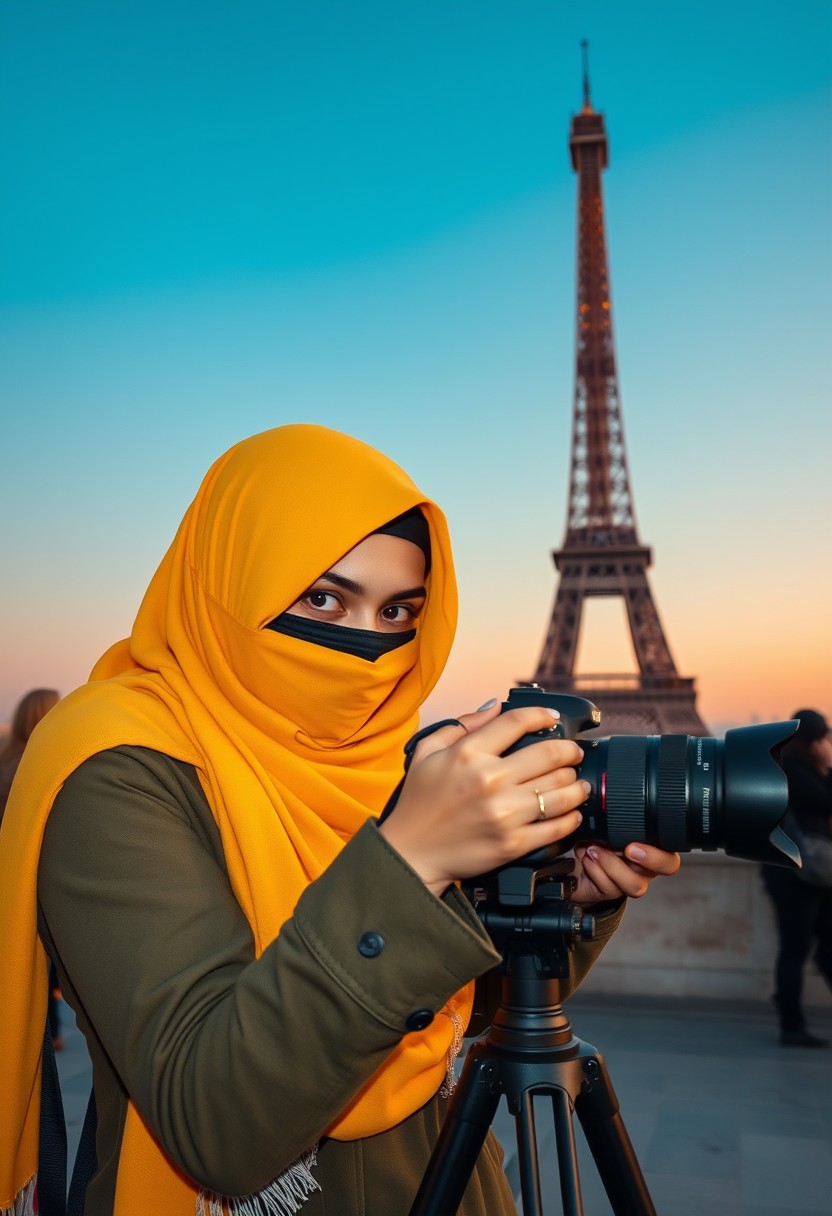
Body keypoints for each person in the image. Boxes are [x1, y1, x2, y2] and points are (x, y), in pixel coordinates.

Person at [0, 424, 681, 1216]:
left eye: (399, 612)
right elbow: (213, 1125)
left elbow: (449, 1008)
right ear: (228, 576)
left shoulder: (386, 755)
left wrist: (578, 901)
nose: (365, 646)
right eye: (323, 597)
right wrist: (410, 862)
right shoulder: (116, 768)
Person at [761, 708, 832, 1047]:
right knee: (796, 947)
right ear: (811, 741)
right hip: (796, 875)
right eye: (823, 738)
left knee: (812, 945)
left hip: (803, 872)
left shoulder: (786, 768)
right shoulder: (795, 772)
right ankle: (791, 1022)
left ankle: (789, 1012)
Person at [0, 688, 63, 1050]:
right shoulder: (45, 761)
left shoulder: (6, 759)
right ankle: (49, 1032)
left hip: (8, 872)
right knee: (44, 965)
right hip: (38, 874)